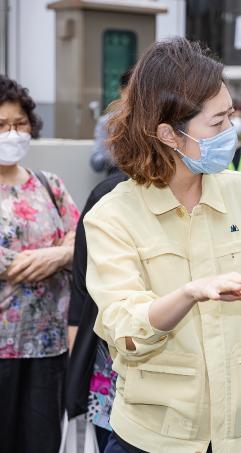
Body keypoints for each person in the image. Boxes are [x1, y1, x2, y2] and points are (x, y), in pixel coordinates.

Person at [84, 37, 241, 453]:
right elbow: (126, 331)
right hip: (159, 434)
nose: (230, 132)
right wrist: (189, 293)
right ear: (168, 134)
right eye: (217, 123)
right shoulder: (112, 215)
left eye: (230, 117)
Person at [0, 74, 81, 452]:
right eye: (2, 125)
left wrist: (60, 254)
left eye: (19, 124)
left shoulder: (51, 185)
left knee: (42, 443)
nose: (12, 133)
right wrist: (50, 255)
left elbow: (83, 239)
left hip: (48, 348)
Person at [66, 170, 127, 451]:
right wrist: (75, 370)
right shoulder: (110, 195)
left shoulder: (222, 191)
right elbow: (82, 289)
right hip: (114, 373)